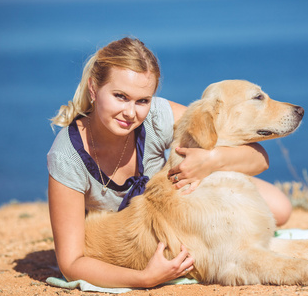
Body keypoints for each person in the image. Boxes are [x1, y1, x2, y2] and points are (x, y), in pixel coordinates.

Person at [47, 37, 292, 288]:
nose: (131, 112)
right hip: (126, 239)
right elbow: (71, 263)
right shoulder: (67, 157)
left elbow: (259, 158)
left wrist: (212, 159)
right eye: (120, 96)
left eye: (142, 100)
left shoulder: (155, 117)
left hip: (175, 212)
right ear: (93, 89)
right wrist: (144, 278)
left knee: (280, 207)